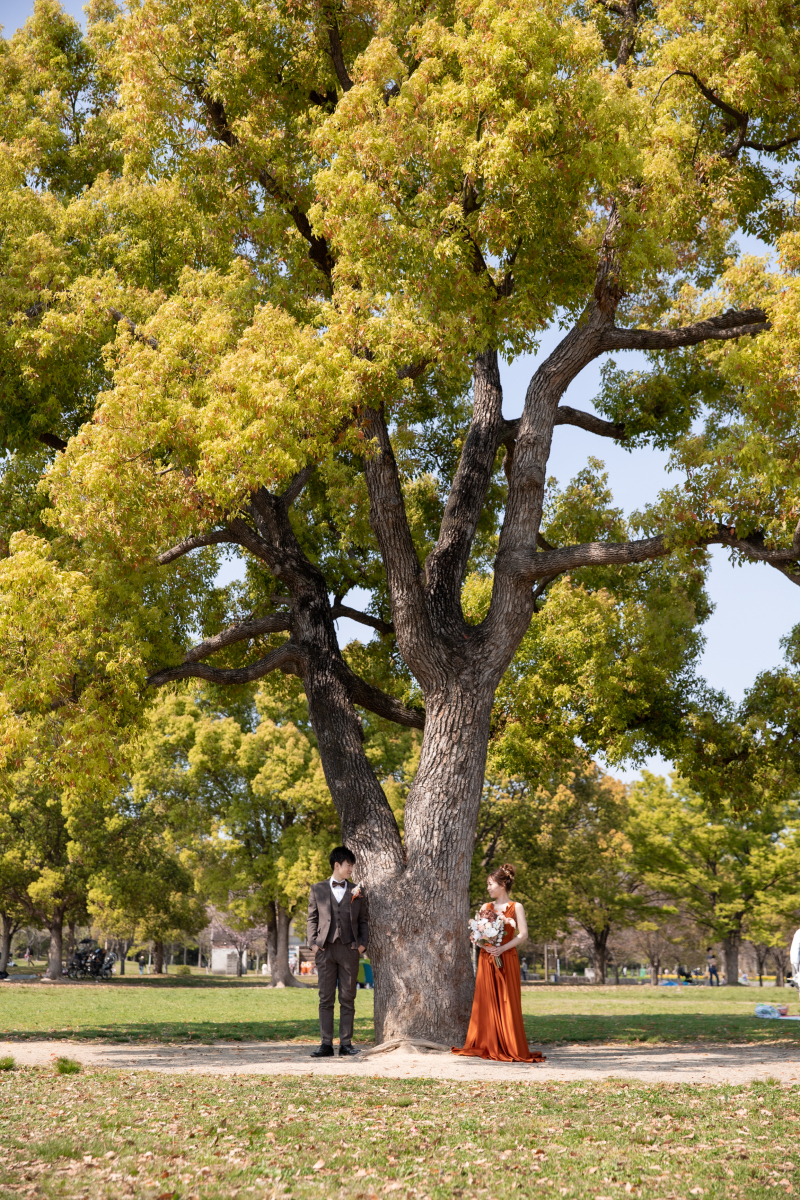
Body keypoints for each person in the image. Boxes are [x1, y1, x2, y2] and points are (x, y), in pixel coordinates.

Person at [453, 863, 545, 1064]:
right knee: (486, 1000)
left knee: (507, 1000)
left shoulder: (516, 907)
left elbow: (523, 934)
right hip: (487, 959)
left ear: (502, 885)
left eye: (490, 884)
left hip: (507, 957)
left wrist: (502, 948)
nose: (488, 888)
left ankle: (509, 1044)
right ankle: (488, 1042)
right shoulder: (485, 907)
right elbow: (476, 935)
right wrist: (485, 946)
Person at [307, 846, 369, 1058]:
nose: (351, 868)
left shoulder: (357, 892)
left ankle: (346, 1043)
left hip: (349, 950)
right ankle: (325, 1044)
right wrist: (314, 944)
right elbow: (312, 919)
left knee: (348, 998)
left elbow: (363, 922)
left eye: (352, 865)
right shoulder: (317, 889)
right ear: (337, 865)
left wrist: (361, 946)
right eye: (348, 864)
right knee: (325, 998)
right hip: (325, 950)